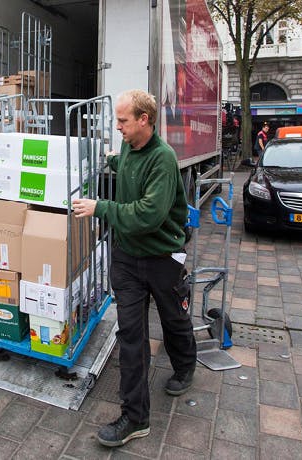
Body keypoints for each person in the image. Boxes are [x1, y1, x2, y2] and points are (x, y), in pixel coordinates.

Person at [71, 90, 195, 448]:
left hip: (162, 257)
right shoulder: (127, 147)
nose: (118, 126)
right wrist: (105, 158)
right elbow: (121, 163)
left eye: (123, 120)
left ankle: (185, 365)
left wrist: (101, 208)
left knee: (173, 318)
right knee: (131, 335)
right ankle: (136, 417)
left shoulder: (163, 159)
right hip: (127, 258)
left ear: (144, 120)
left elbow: (148, 215)